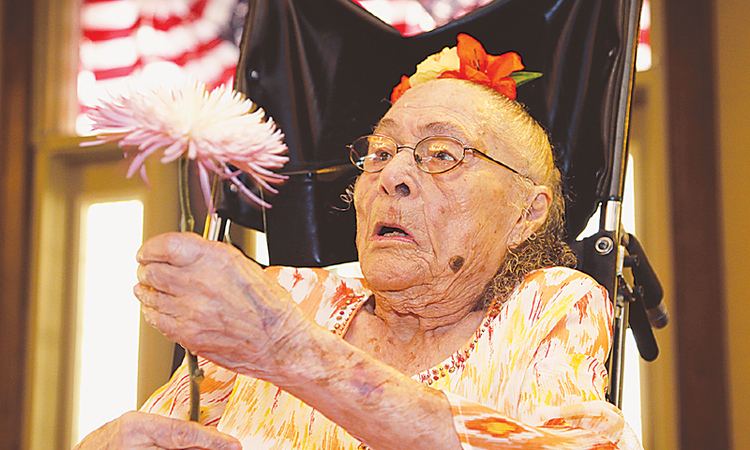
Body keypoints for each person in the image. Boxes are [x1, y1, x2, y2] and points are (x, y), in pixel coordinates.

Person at [75, 39, 643, 449]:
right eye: (379, 153)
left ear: (527, 211)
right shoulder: (291, 295)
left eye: (442, 154)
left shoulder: (547, 305)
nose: (393, 174)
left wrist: (291, 351)